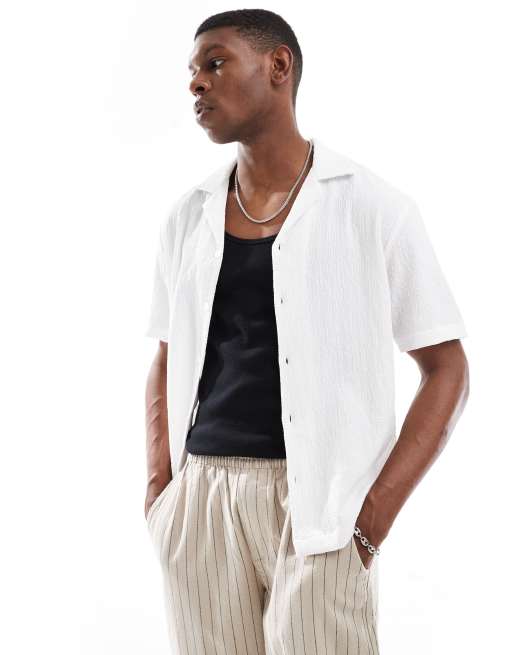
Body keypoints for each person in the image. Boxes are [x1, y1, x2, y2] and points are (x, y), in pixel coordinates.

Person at [143, 9, 470, 654]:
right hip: (202, 499)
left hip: (323, 509)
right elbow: (166, 353)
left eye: (215, 63)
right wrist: (161, 489)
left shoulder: (371, 206)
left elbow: (447, 368)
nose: (196, 84)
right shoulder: (188, 217)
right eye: (192, 72)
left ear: (278, 67)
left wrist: (372, 519)